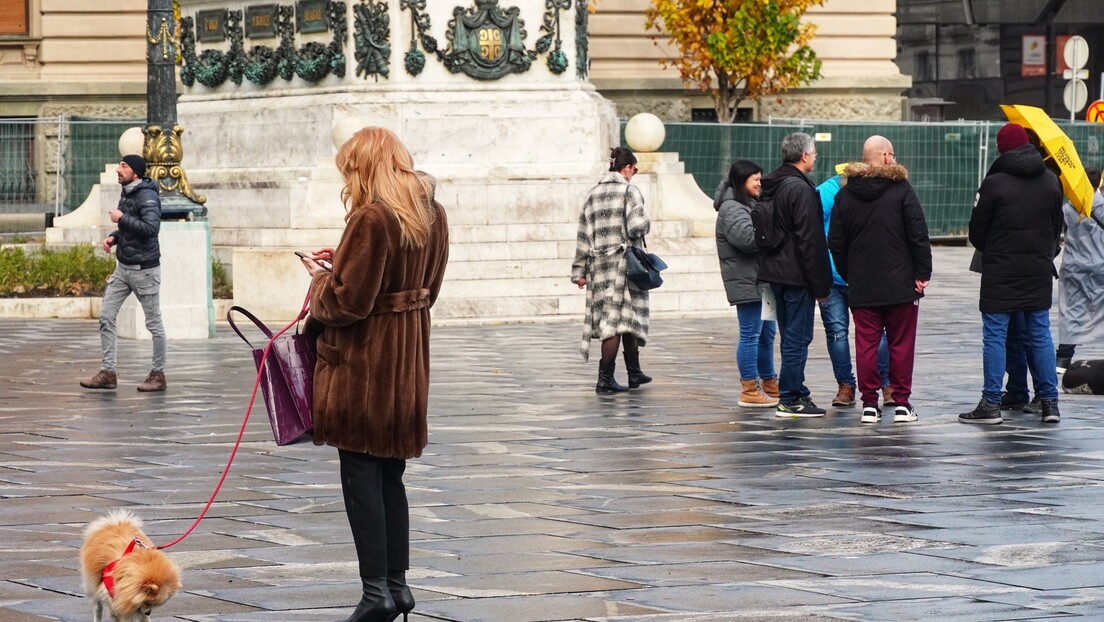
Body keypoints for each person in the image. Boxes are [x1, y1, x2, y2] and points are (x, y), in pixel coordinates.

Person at [299, 126, 449, 622]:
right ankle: (397, 587)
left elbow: (347, 302)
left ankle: (374, 594)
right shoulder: (432, 213)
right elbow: (425, 287)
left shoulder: (371, 218)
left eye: (350, 169)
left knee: (360, 477)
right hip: (406, 365)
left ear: (365, 167)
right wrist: (342, 261)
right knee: (391, 478)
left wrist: (322, 278)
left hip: (363, 370)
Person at [960, 123, 1063, 425]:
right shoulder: (1051, 181)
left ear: (1001, 148)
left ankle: (991, 403)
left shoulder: (994, 183)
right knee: (1040, 334)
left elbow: (977, 234)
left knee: (995, 336)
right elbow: (1056, 229)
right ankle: (1049, 402)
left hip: (1000, 274)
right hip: (1037, 271)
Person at [829, 136, 932, 424]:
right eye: (893, 154)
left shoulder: (844, 195)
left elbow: (835, 241)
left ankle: (869, 405)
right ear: (886, 157)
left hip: (862, 285)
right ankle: (901, 403)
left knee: (866, 344)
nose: (895, 158)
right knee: (901, 344)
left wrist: (850, 274)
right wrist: (922, 273)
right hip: (901, 285)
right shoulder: (902, 191)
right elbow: (918, 234)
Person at [757, 132, 833, 417]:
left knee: (790, 335)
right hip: (797, 275)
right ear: (804, 156)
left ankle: (797, 391)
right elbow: (809, 240)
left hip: (775, 273)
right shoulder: (800, 189)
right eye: (813, 153)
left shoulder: (771, 184)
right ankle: (790, 398)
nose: (815, 157)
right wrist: (821, 285)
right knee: (797, 338)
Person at [80, 154, 168, 392]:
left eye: (124, 166)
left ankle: (158, 375)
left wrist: (122, 218)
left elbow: (151, 229)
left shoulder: (148, 195)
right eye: (119, 165)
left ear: (136, 173)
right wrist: (114, 237)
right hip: (123, 268)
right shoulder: (128, 192)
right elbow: (129, 228)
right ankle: (108, 373)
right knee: (106, 316)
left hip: (145, 271)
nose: (118, 169)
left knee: (154, 325)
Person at [571, 146, 652, 394]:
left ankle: (634, 373)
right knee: (615, 323)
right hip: (625, 267)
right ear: (626, 168)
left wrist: (579, 271)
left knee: (622, 318)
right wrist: (646, 221)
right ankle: (605, 378)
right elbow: (638, 227)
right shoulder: (630, 191)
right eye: (634, 169)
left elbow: (584, 235)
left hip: (599, 267)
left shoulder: (592, 194)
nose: (634, 174)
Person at [817, 164, 893, 409]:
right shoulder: (830, 191)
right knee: (840, 333)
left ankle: (884, 384)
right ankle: (847, 385)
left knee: (874, 333)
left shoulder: (879, 192)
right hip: (835, 277)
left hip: (862, 275)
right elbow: (813, 228)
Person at [714, 159, 778, 408]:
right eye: (756, 180)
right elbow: (748, 240)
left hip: (761, 280)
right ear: (743, 182)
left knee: (767, 335)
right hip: (747, 281)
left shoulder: (747, 203)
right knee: (751, 334)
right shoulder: (731, 208)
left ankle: (770, 383)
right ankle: (749, 389)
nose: (760, 184)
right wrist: (774, 230)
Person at [1057, 166, 1104, 372]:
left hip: (1073, 267)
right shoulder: (1101, 207)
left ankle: (1063, 358)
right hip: (1100, 265)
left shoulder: (1067, 208)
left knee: (1071, 311)